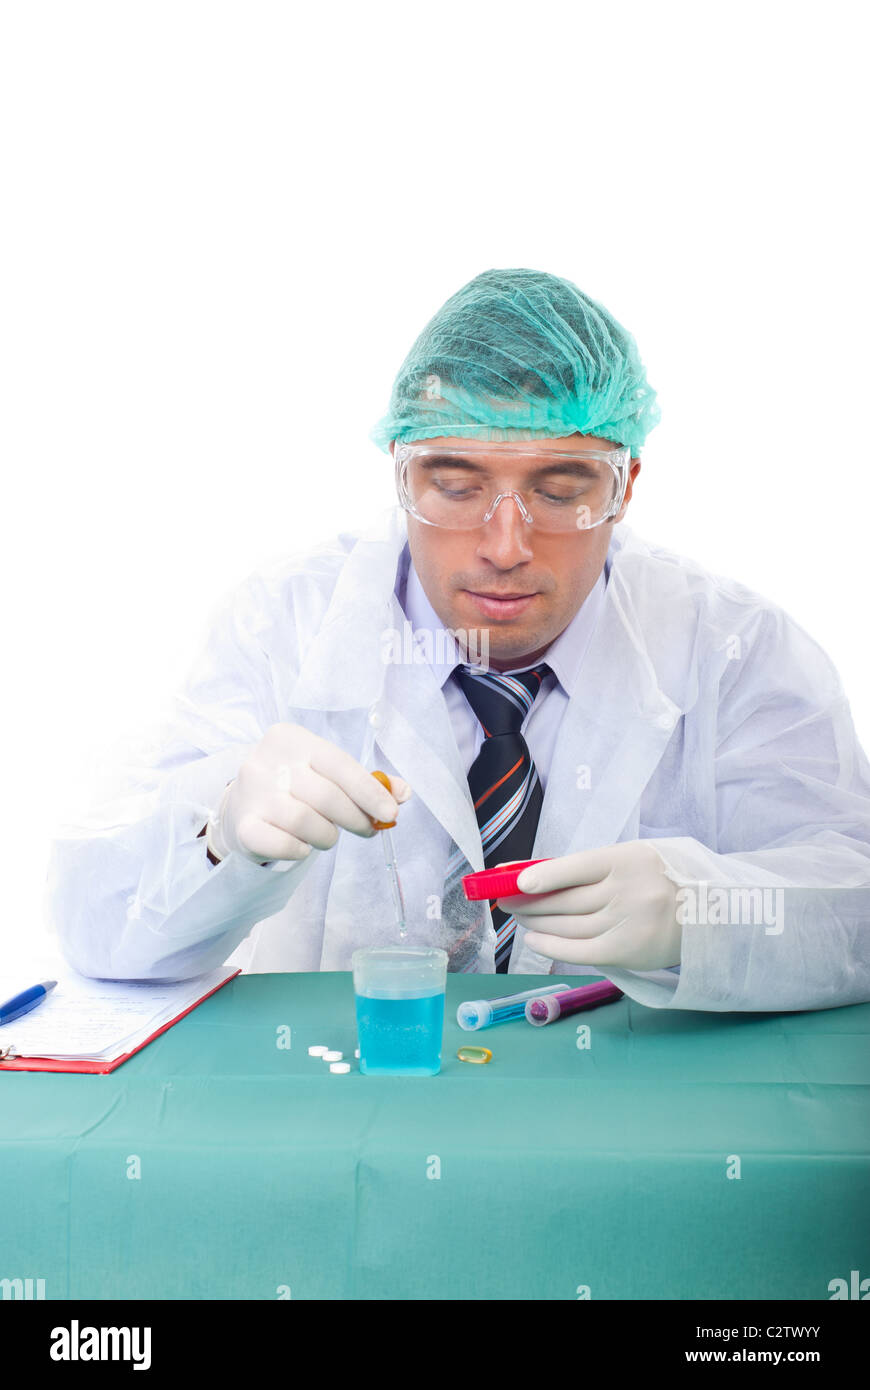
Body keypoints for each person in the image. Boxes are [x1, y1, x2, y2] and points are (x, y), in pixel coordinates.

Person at [47, 268, 870, 1010]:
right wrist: (216, 834)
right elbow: (99, 929)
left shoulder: (735, 648)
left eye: (558, 489)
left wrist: (702, 911)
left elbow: (855, 909)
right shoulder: (282, 628)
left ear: (624, 489)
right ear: (401, 481)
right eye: (454, 483)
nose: (505, 545)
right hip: (344, 1127)